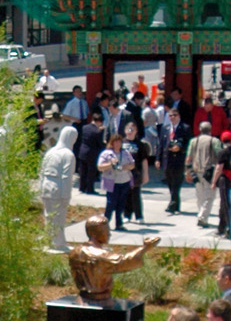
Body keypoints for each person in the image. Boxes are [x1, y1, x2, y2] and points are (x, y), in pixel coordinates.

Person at [65, 218, 159, 304]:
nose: (109, 234)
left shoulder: (74, 252)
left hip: (81, 299)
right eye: (106, 231)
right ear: (94, 234)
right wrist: (145, 248)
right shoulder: (100, 255)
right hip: (100, 302)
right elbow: (124, 262)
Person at [36, 123, 80, 252]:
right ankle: (57, 243)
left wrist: (40, 188)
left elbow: (41, 172)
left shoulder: (50, 152)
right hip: (58, 188)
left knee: (49, 216)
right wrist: (66, 195)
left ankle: (49, 240)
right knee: (58, 216)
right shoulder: (68, 155)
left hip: (46, 187)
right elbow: (66, 177)